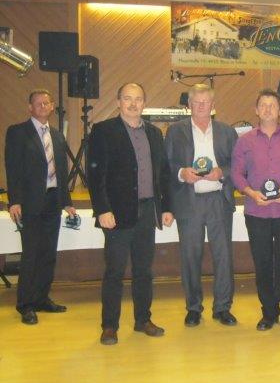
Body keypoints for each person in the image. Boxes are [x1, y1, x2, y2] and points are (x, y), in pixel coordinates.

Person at [87, 82, 174, 345]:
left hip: (147, 211)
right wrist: (102, 209)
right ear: (118, 102)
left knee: (144, 271)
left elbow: (163, 173)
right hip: (116, 214)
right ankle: (109, 326)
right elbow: (95, 175)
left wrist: (167, 207)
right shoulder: (103, 131)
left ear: (144, 103)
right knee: (114, 271)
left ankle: (142, 320)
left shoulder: (154, 133)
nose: (133, 104)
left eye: (138, 99)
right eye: (127, 98)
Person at [231, 89, 280, 336]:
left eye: (272, 105)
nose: (267, 109)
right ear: (256, 110)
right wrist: (250, 192)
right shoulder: (244, 141)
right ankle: (269, 312)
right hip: (256, 211)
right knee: (263, 263)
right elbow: (236, 173)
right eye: (263, 105)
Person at [164, 83, 238, 328]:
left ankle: (223, 307)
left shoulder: (227, 132)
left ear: (213, 105)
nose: (201, 106)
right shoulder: (175, 131)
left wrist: (222, 172)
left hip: (219, 200)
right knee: (190, 256)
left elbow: (238, 166)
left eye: (206, 102)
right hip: (189, 201)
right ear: (189, 105)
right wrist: (182, 173)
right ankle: (193, 308)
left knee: (223, 256)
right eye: (197, 102)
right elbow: (167, 165)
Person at [4, 89, 75, 325]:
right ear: (30, 108)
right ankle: (25, 304)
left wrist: (67, 202)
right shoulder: (17, 132)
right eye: (38, 103)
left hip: (53, 201)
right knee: (31, 255)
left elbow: (62, 171)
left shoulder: (57, 136)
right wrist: (14, 201)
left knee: (48, 254)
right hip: (29, 203)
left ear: (52, 106)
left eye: (47, 102)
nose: (43, 106)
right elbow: (12, 168)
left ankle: (42, 298)